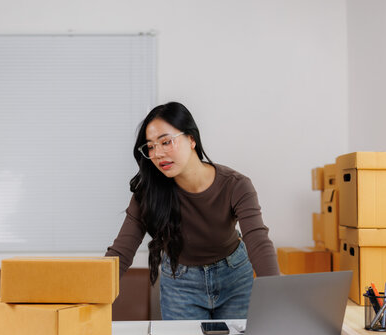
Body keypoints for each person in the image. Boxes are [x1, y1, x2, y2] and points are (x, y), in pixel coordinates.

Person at [105, 101, 279, 320]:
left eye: (165, 142)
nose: (157, 153)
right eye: (150, 146)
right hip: (181, 284)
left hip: (235, 277)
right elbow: (121, 252)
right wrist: (89, 296)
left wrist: (278, 297)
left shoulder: (236, 185)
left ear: (191, 139)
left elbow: (257, 240)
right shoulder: (148, 193)